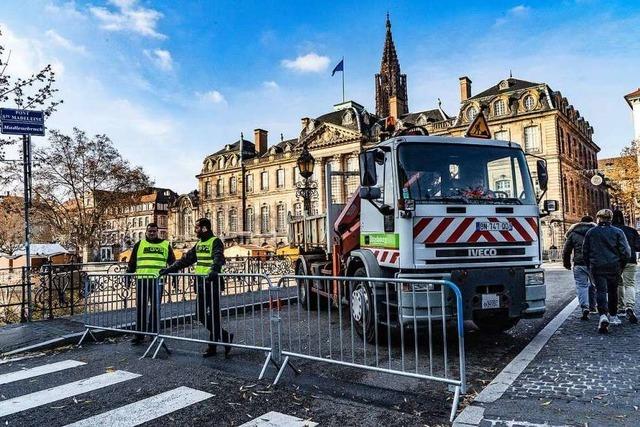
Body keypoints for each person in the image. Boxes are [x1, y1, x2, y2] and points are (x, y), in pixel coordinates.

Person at [159, 218, 233, 357]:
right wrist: (169, 269)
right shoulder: (199, 244)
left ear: (205, 228)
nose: (195, 230)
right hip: (201, 284)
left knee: (214, 316)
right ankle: (225, 337)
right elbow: (186, 260)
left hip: (213, 283)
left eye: (197, 228)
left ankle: (212, 347)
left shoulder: (215, 241)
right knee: (200, 315)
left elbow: (219, 257)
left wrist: (214, 270)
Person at [583, 209, 631, 333]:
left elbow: (585, 251)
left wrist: (589, 265)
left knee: (600, 290)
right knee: (613, 291)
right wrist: (621, 265)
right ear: (610, 218)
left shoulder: (591, 232)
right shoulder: (617, 232)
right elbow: (626, 251)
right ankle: (613, 316)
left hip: (597, 265)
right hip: (614, 265)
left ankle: (603, 315)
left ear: (598, 218)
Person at [127, 223, 176, 344]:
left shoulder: (165, 245)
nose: (152, 233)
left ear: (157, 232)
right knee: (141, 308)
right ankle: (139, 334)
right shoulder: (139, 244)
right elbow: (132, 262)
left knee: (155, 308)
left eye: (154, 231)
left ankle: (153, 333)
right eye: (150, 231)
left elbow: (173, 263)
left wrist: (175, 277)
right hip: (141, 280)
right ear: (146, 232)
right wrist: (128, 276)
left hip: (157, 281)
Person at [562, 215, 596, 320]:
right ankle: (593, 306)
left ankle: (584, 307)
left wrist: (567, 263)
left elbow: (566, 250)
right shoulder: (596, 232)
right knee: (594, 285)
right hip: (593, 263)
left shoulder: (573, 233)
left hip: (579, 263)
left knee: (582, 286)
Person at [612, 210, 639, 324]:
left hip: (615, 261)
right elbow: (638, 246)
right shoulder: (632, 231)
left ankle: (621, 306)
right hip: (630, 260)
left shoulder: (610, 231)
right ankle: (630, 306)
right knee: (630, 284)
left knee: (618, 284)